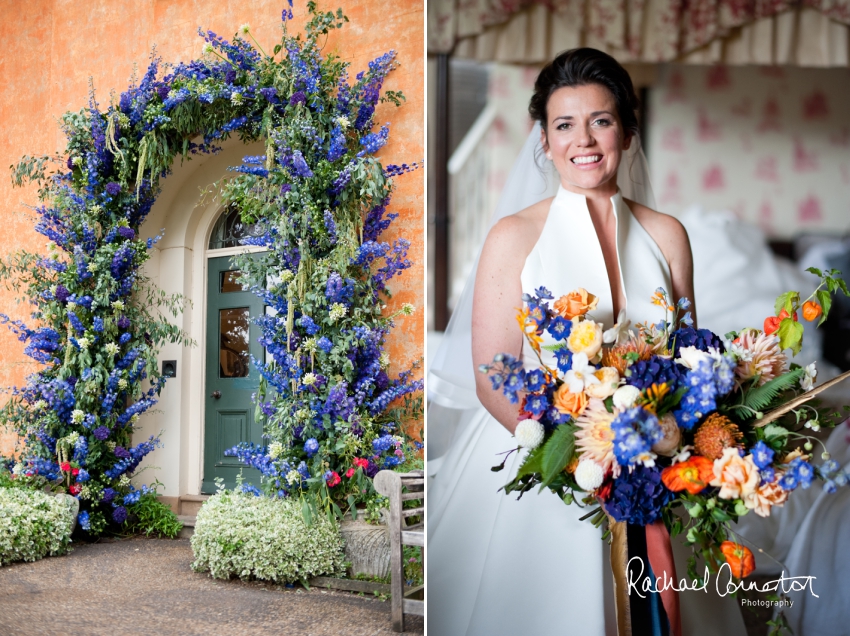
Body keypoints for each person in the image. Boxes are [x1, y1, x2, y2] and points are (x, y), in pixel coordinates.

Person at [427, 49, 748, 635]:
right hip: (550, 461)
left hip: (657, 463)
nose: (585, 140)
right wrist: (583, 463)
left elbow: (690, 357)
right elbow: (491, 372)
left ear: (626, 128)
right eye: (564, 124)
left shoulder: (667, 235)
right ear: (545, 141)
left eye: (600, 120)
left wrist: (662, 451)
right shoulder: (512, 236)